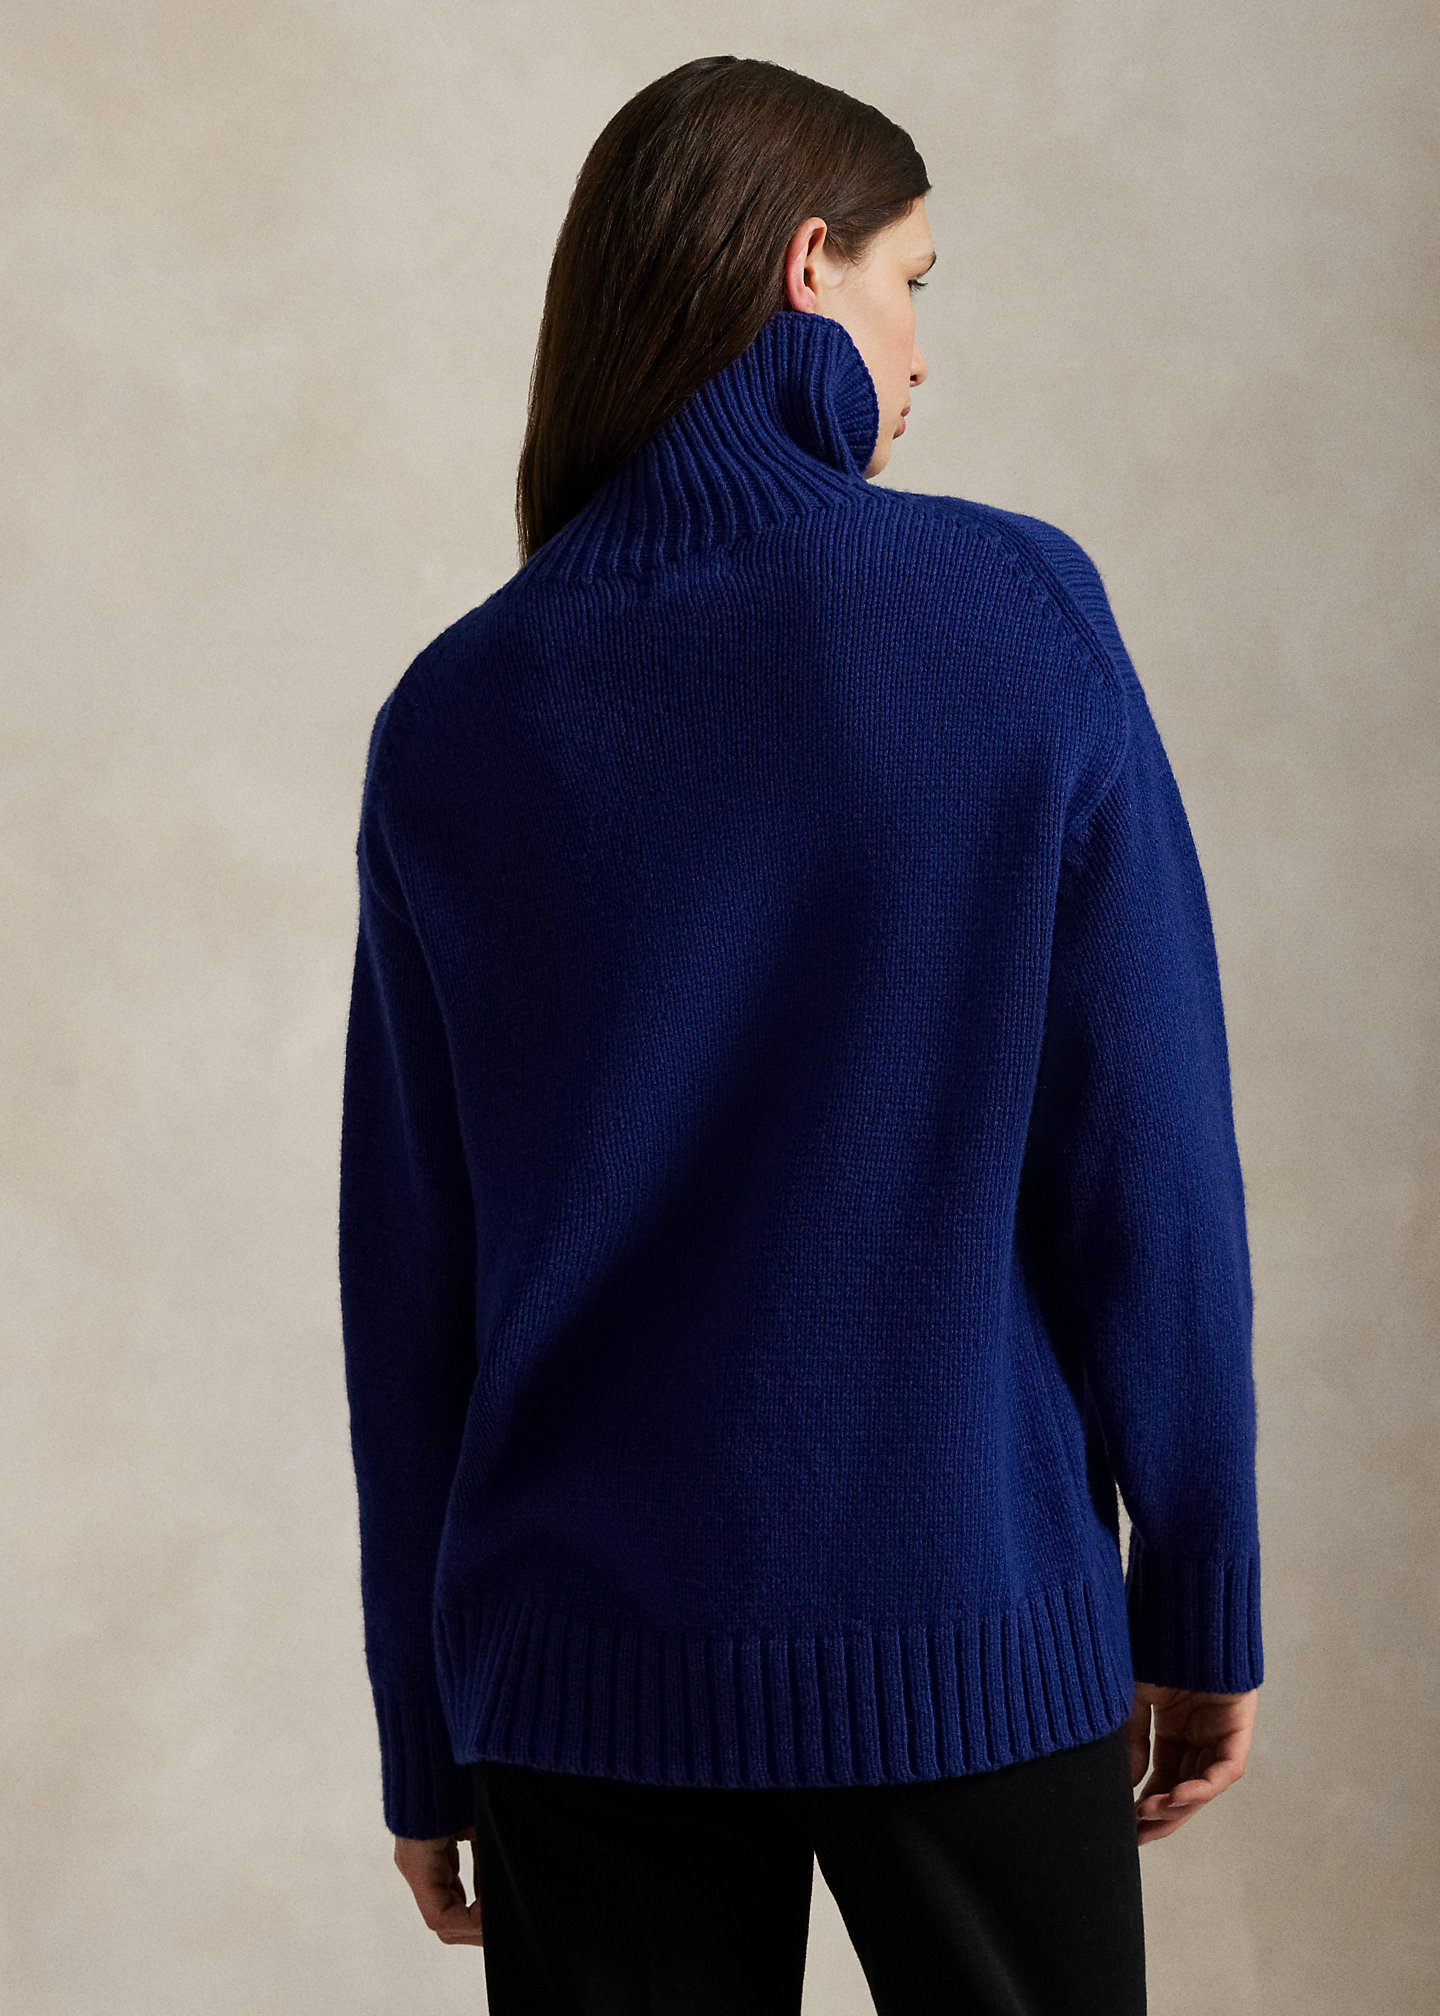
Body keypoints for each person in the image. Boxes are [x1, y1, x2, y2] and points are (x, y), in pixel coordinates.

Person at [337, 54, 1263, 2014]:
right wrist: (1197, 1593)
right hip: (969, 1623)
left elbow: (411, 1286)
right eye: (912, 282)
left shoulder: (457, 710)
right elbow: (1148, 1161)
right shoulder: (1013, 611)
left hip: (575, 1678)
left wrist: (427, 1727)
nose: (921, 350)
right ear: (805, 264)